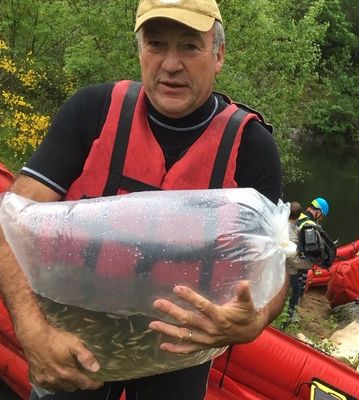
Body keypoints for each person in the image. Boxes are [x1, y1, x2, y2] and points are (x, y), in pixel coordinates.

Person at [0, 1, 287, 399]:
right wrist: (32, 332)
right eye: (156, 44)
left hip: (180, 357)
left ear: (218, 54)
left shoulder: (252, 147)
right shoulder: (92, 112)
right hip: (74, 343)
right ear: (140, 50)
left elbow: (275, 271)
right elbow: (8, 224)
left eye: (190, 46)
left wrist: (256, 321)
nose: (171, 63)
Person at [283, 201, 311, 325]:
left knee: (293, 289)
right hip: (288, 269)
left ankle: (288, 314)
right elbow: (292, 260)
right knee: (295, 289)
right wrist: (308, 264)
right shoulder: (292, 233)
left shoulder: (284, 224)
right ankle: (289, 316)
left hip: (282, 266)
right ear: (299, 215)